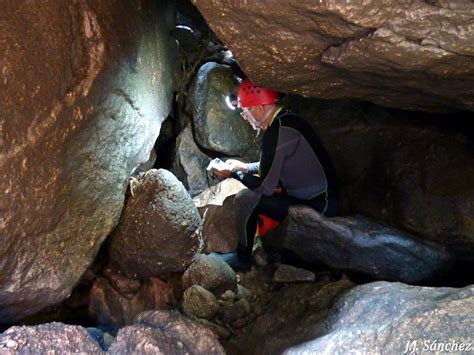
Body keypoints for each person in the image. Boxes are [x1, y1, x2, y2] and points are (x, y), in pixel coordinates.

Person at [211, 79, 339, 272]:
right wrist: (246, 167)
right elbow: (274, 164)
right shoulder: (287, 121)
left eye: (246, 111)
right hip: (322, 197)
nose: (244, 117)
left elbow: (265, 187)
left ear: (260, 108)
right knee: (263, 193)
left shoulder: (276, 133)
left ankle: (243, 259)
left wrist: (233, 173)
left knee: (245, 199)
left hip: (319, 206)